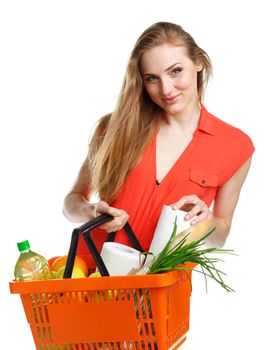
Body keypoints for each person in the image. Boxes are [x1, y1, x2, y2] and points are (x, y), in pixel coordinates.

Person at [63, 22, 254, 269]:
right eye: (152, 78)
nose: (166, 89)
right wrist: (91, 211)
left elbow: (220, 235)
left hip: (163, 285)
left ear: (198, 63)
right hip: (93, 277)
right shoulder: (114, 129)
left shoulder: (235, 146)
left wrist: (206, 220)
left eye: (175, 71)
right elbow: (71, 202)